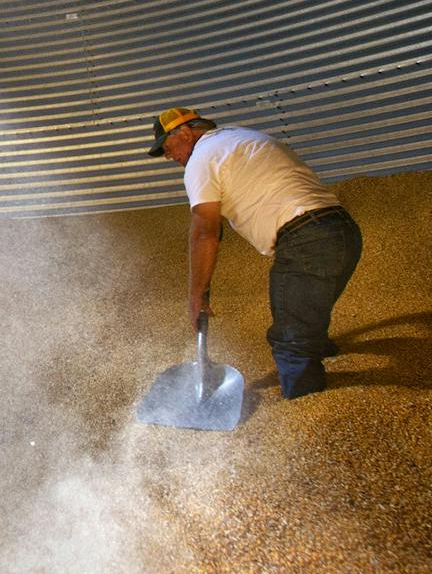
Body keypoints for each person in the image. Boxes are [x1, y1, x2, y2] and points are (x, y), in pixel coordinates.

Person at [146, 106, 362, 399]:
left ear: (184, 132)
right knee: (307, 310)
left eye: (167, 147)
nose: (169, 156)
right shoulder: (241, 137)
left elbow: (205, 232)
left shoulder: (201, 159)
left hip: (304, 241)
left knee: (289, 340)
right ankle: (319, 349)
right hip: (342, 231)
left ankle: (311, 408)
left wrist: (196, 295)